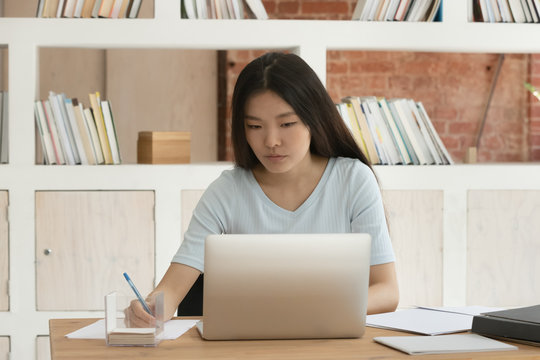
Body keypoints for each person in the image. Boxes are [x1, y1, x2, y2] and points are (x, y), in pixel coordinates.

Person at [126, 52, 399, 327]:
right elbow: (172, 288)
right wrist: (150, 307)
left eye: (287, 124)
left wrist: (309, 311)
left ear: (312, 119)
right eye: (254, 126)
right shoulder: (226, 192)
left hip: (332, 341)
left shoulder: (353, 181)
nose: (271, 141)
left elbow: (387, 291)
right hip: (246, 348)